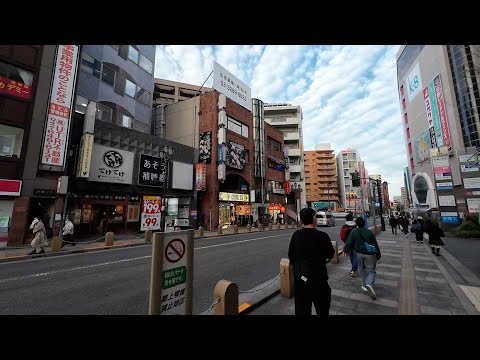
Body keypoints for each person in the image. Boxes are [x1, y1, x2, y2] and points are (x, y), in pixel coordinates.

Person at [288, 207, 335, 315]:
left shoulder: (296, 235)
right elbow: (331, 255)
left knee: (302, 311)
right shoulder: (322, 236)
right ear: (314, 218)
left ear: (302, 220)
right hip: (319, 281)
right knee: (322, 310)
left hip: (301, 281)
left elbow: (291, 256)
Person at [343, 217, 381, 300]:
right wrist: (378, 255)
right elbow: (375, 244)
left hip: (359, 254)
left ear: (356, 224)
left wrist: (345, 250)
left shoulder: (354, 232)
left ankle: (365, 284)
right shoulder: (369, 232)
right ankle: (369, 284)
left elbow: (349, 242)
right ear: (364, 223)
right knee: (371, 270)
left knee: (362, 269)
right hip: (370, 254)